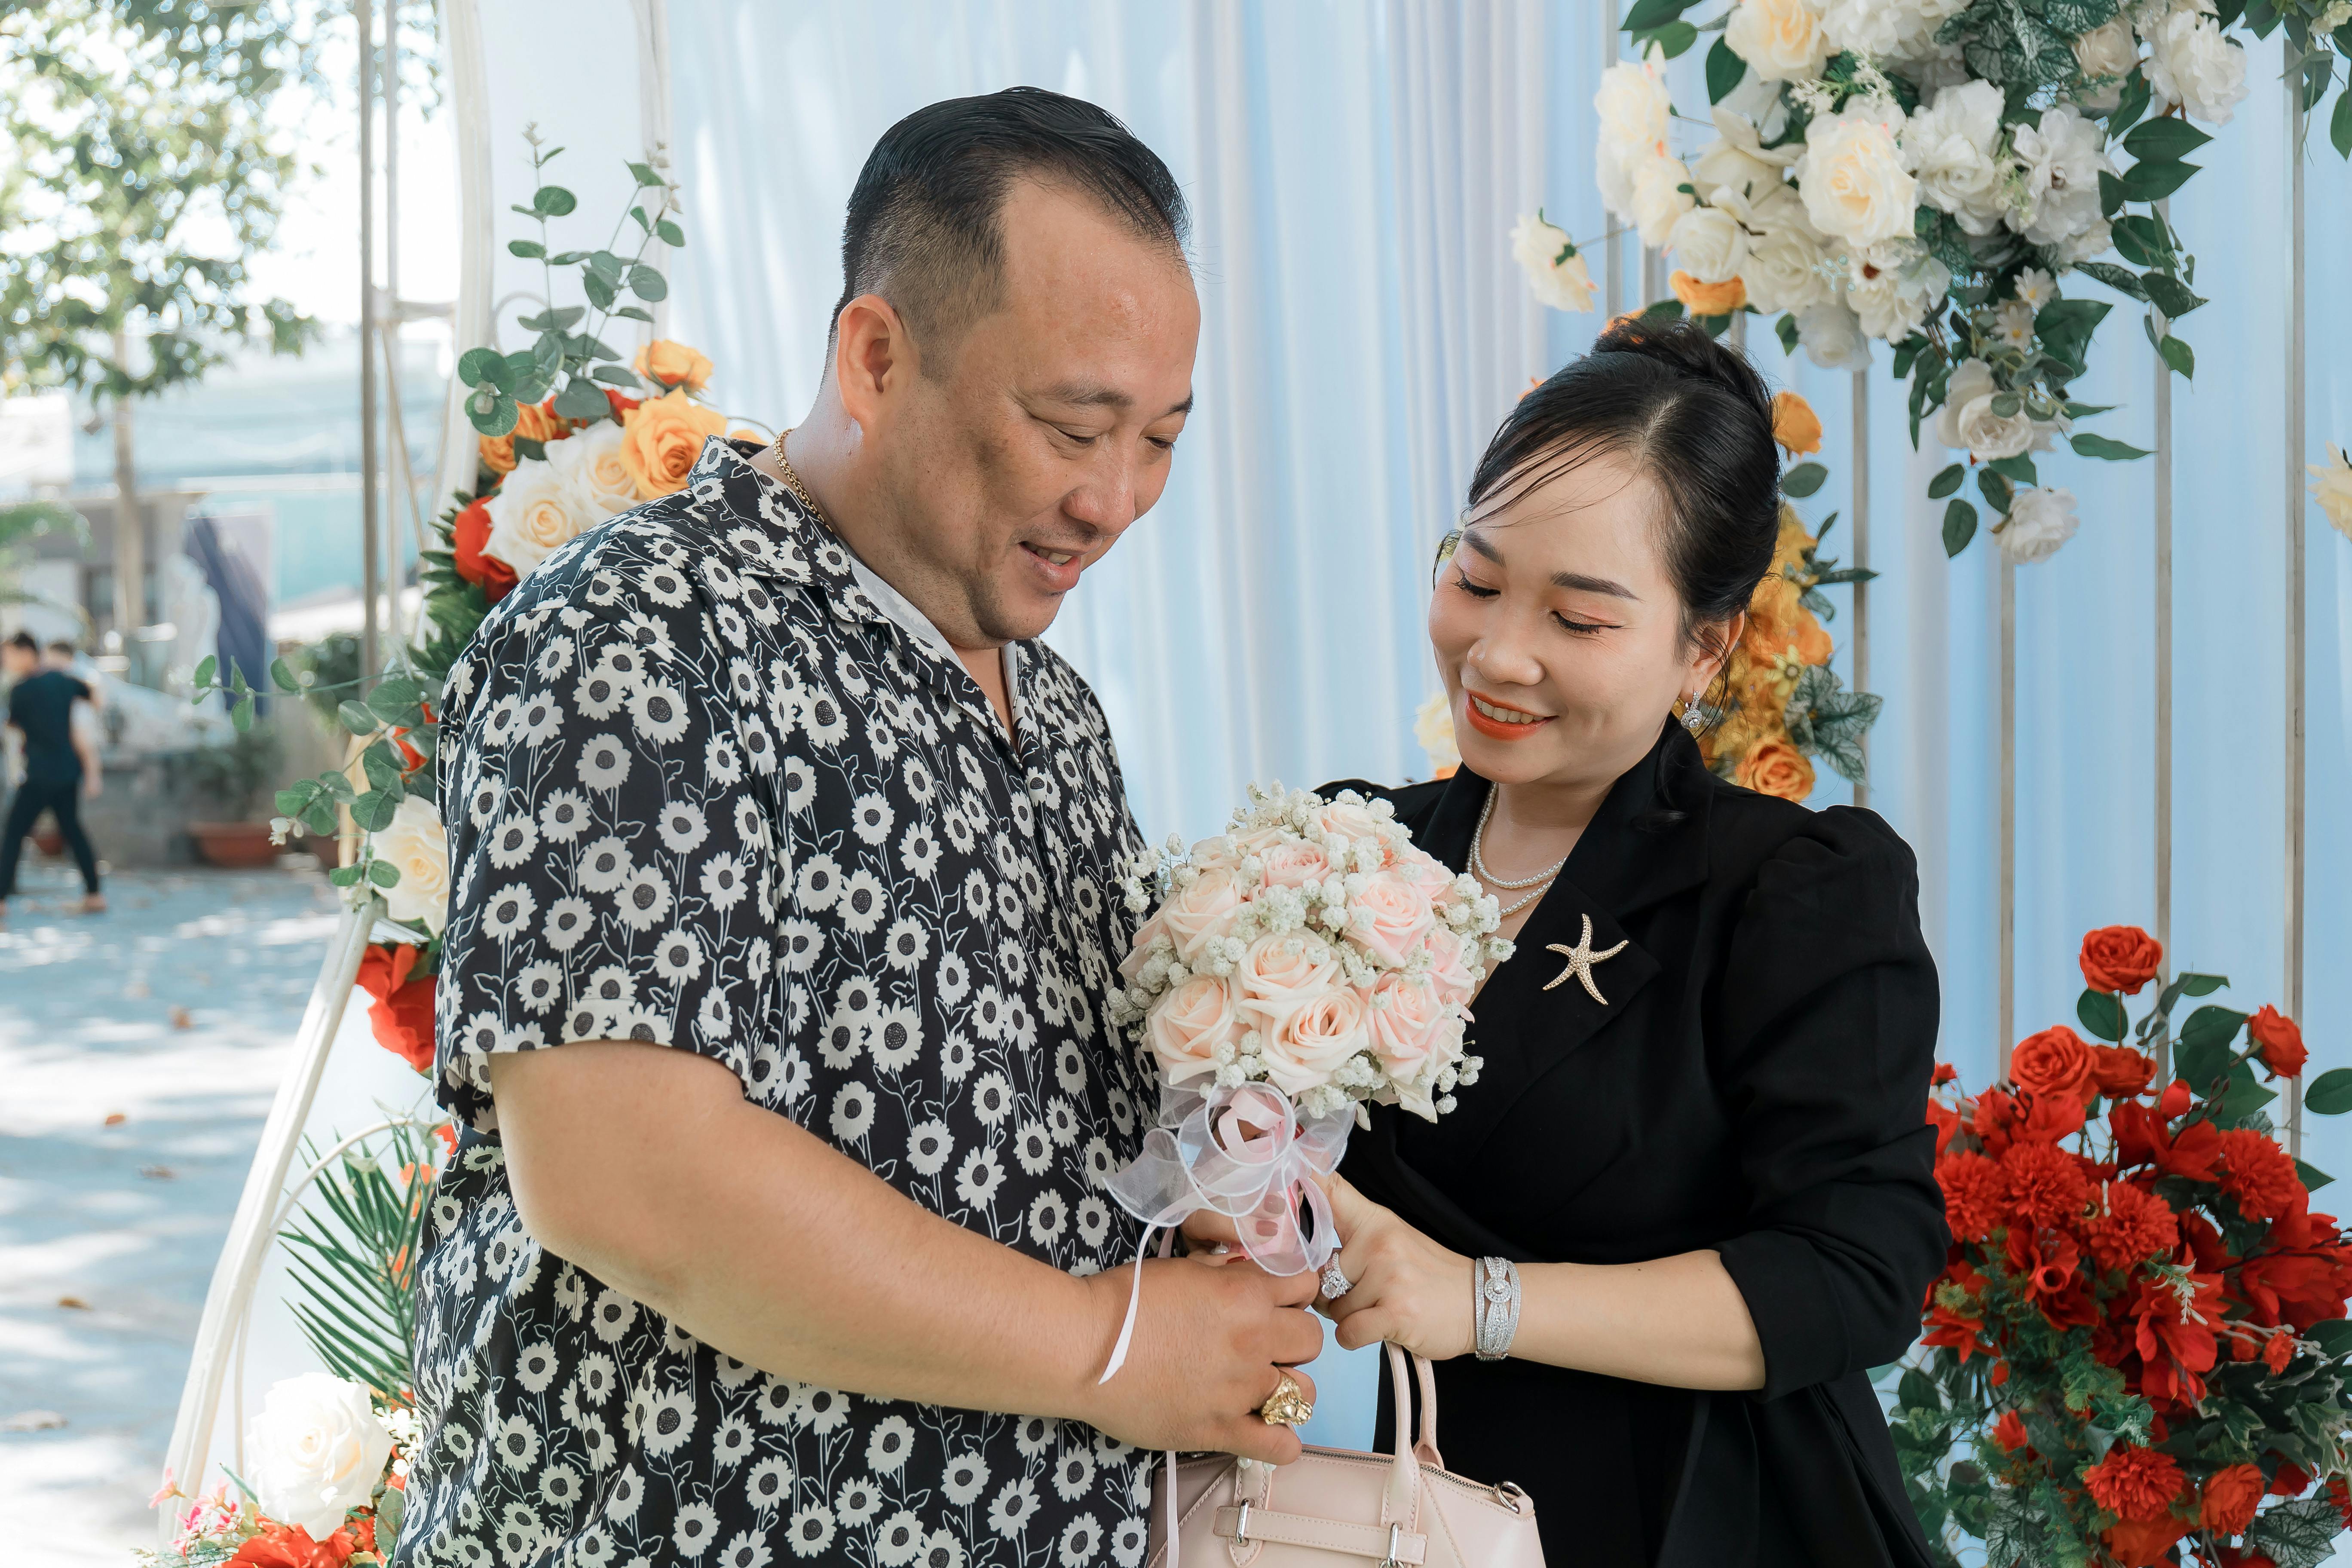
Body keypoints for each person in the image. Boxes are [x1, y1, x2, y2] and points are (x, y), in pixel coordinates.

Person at [398, 89, 1322, 1568]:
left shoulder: (1058, 708)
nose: (1116, 498)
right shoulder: (645, 633)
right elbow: (627, 1174)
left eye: (1159, 438)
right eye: (1074, 425)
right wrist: (1103, 1336)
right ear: (877, 355)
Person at [1211, 318, 1946, 1566]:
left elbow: (1855, 1276)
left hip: (1719, 1519)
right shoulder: (1354, 850)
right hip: (1434, 1515)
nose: (1498, 655)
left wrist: (1475, 1299)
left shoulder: (1790, 890)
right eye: (1478, 580)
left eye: (1581, 620)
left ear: (1702, 647)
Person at [0, 631, 106, 922]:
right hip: (67, 771)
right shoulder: (63, 680)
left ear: (26, 652)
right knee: (72, 829)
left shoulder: (20, 691)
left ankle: (0, 900)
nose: (5, 661)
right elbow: (95, 696)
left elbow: (13, 726)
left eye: (8, 654)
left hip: (39, 774)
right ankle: (95, 894)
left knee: (13, 833)